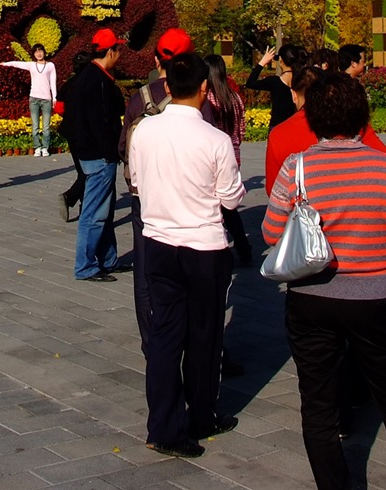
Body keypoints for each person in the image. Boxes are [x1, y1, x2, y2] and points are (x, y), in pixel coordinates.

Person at [263, 72, 386, 490]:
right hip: (375, 298)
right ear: (362, 115)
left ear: (313, 118)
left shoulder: (298, 167)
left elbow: (273, 233)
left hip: (311, 297)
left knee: (319, 407)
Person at [128, 51, 244, 460]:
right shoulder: (214, 139)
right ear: (203, 89)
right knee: (204, 337)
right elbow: (231, 197)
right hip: (203, 248)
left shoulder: (144, 131)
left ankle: (163, 426)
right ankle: (202, 415)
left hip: (158, 243)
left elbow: (138, 183)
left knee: (164, 336)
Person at [125, 28, 202, 344]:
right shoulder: (202, 100)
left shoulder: (138, 98)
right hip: (190, 197)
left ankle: (152, 338)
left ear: (157, 58)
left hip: (145, 196)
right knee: (192, 269)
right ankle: (194, 335)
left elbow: (123, 148)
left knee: (145, 270)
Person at [64, 29, 126, 281]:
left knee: (105, 210)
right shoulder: (97, 81)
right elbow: (102, 122)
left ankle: (108, 259)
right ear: (110, 51)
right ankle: (86, 266)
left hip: (91, 153)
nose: (119, 55)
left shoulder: (87, 77)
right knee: (95, 214)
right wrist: (112, 151)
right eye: (118, 50)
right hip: (100, 156)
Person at [204, 54, 252, 267]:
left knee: (214, 208)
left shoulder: (207, 100)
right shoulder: (235, 97)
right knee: (229, 209)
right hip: (233, 156)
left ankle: (222, 250)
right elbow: (241, 130)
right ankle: (244, 248)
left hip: (212, 158)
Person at [0, 44, 58, 156]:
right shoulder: (31, 65)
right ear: (34, 54)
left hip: (46, 99)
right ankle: (37, 147)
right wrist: (5, 64)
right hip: (34, 98)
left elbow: (53, 82)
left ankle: (45, 148)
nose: (39, 54)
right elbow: (17, 64)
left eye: (40, 51)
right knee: (35, 126)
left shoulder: (50, 66)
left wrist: (54, 97)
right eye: (36, 52)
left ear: (44, 52)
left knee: (46, 126)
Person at [56, 49, 94, 221]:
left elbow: (59, 108)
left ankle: (83, 205)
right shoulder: (92, 83)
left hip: (70, 131)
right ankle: (70, 198)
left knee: (82, 170)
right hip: (86, 132)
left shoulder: (68, 84)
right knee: (87, 172)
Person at [246, 43, 308, 129]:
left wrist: (262, 62)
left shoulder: (274, 82)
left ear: (281, 60)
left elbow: (250, 83)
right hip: (296, 124)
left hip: (277, 126)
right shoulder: (304, 80)